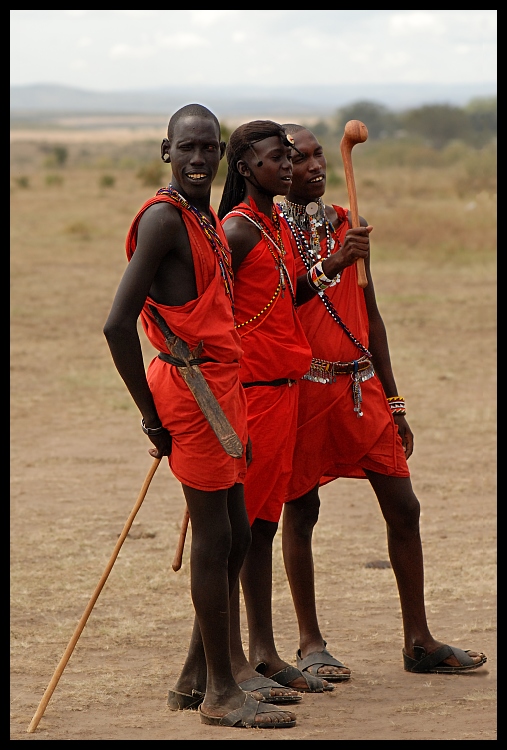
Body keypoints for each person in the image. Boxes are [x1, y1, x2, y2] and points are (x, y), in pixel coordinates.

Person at [103, 103, 297, 729]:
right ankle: (220, 692)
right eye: (185, 148)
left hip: (220, 388)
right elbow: (116, 325)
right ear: (166, 151)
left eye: (207, 148)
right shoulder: (163, 219)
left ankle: (197, 677)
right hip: (191, 394)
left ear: (220, 156)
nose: (196, 159)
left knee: (235, 536)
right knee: (217, 543)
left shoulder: (201, 216)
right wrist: (150, 416)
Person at [275, 123, 488, 680]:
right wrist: (333, 262)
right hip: (304, 388)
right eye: (300, 159)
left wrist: (395, 399)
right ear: (274, 169)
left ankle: (418, 640)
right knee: (302, 510)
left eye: (321, 155)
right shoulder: (264, 232)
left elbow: (371, 316)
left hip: (361, 387)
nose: (315, 166)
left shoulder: (348, 222)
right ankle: (309, 642)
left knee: (404, 505)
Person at [216, 120, 367, 695]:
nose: (289, 166)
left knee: (260, 529)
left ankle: (261, 653)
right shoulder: (235, 231)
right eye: (277, 158)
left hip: (283, 391)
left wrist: (332, 266)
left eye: (290, 156)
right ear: (248, 168)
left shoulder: (273, 223)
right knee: (235, 536)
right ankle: (229, 665)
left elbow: (289, 293)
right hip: (250, 396)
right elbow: (207, 306)